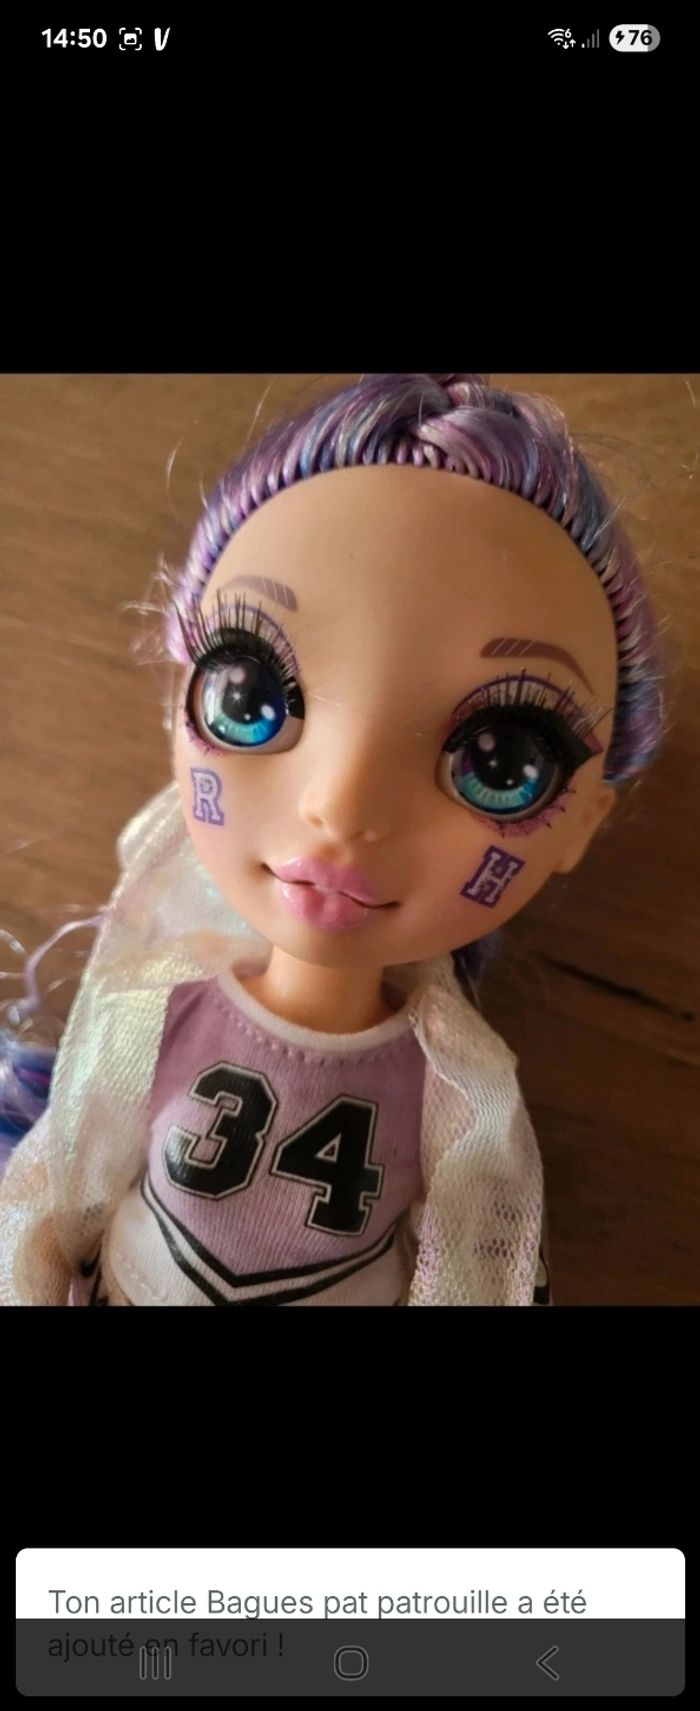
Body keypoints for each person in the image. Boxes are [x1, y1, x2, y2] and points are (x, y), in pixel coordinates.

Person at [0, 374, 665, 1306]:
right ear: (176, 704)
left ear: (582, 820)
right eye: (249, 698)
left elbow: (474, 1261)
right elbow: (58, 1186)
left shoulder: (461, 1088)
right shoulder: (150, 1007)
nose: (341, 807)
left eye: (502, 759)